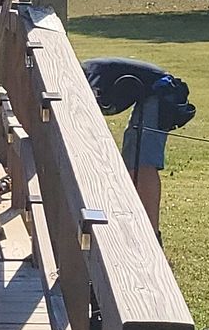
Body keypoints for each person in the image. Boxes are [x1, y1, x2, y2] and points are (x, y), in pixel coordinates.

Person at [81, 56, 195, 233]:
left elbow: (86, 115)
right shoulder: (89, 74)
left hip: (161, 92)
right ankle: (140, 224)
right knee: (133, 160)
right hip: (151, 94)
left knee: (142, 162)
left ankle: (151, 232)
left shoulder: (89, 77)